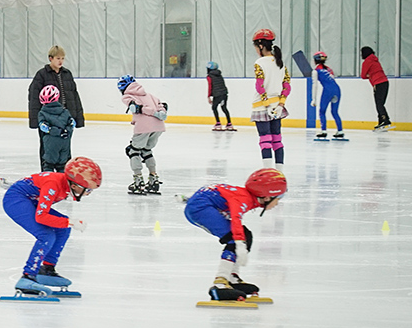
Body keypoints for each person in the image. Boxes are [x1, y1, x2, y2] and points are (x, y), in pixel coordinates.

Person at [183, 168, 287, 302]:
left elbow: (218, 190)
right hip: (200, 209)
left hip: (202, 205)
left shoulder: (246, 196)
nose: (278, 202)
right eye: (279, 197)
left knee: (245, 236)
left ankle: (232, 278)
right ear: (267, 197)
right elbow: (236, 219)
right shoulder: (244, 199)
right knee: (234, 238)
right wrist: (239, 244)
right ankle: (220, 283)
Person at [3, 157, 101, 297]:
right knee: (46, 235)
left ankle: (47, 269)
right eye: (88, 190)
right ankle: (27, 276)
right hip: (16, 200)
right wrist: (70, 222)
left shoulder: (64, 185)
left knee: (63, 229)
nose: (88, 194)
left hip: (29, 199)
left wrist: (67, 223)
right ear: (74, 185)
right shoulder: (53, 185)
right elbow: (41, 216)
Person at [28, 46, 84, 172]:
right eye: (58, 58)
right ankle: (46, 175)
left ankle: (64, 177)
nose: (61, 61)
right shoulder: (42, 75)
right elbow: (34, 98)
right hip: (49, 120)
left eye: (63, 58)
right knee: (47, 150)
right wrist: (36, 120)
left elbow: (74, 95)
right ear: (50, 58)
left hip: (64, 118)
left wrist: (77, 117)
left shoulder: (67, 74)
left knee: (65, 150)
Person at [118, 75, 167, 194]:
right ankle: (153, 178)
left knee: (133, 151)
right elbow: (163, 106)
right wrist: (161, 113)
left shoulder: (127, 96)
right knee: (146, 151)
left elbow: (136, 108)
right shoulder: (150, 95)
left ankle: (138, 180)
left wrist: (153, 112)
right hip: (158, 127)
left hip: (144, 127)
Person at [251, 29, 290, 170]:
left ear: (260, 46)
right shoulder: (280, 63)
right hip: (277, 107)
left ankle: (268, 172)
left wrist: (267, 105)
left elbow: (259, 86)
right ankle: (279, 173)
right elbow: (286, 86)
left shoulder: (260, 62)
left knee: (265, 140)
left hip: (262, 107)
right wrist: (280, 104)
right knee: (277, 140)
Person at [37, 85, 74, 172]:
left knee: (48, 165)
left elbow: (44, 127)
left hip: (50, 144)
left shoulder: (42, 113)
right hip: (65, 143)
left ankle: (48, 182)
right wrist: (65, 132)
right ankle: (63, 183)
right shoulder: (65, 111)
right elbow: (72, 124)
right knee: (62, 166)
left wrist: (55, 131)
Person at [311, 52, 344, 139]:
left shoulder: (316, 71)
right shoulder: (329, 69)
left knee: (322, 111)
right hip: (337, 90)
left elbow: (315, 85)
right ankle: (340, 130)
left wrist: (313, 99)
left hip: (327, 91)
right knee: (335, 111)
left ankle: (323, 131)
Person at [360, 46, 392, 131]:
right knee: (381, 103)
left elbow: (363, 75)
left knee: (379, 103)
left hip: (378, 83)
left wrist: (369, 75)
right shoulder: (375, 60)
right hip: (385, 82)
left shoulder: (367, 62)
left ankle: (385, 120)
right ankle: (381, 121)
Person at [206, 61, 233, 131]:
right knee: (224, 108)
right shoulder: (219, 75)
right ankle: (229, 123)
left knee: (214, 107)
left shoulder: (209, 77)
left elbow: (210, 86)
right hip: (224, 94)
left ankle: (218, 123)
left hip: (217, 95)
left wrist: (209, 96)